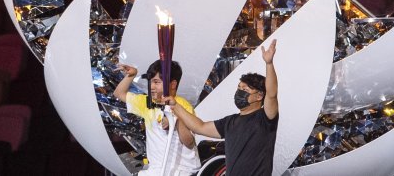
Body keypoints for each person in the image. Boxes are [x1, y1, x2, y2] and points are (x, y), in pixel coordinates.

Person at [167, 40, 278, 176]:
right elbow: (199, 127)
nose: (239, 92)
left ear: (259, 96)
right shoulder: (230, 122)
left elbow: (272, 94)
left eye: (245, 89)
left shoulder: (265, 118)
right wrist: (175, 105)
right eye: (239, 88)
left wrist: (269, 63)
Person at [114, 59, 201, 176]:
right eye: (150, 82)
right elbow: (119, 93)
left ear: (173, 84)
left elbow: (189, 142)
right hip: (157, 169)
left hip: (183, 170)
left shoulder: (183, 105)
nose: (151, 86)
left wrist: (175, 119)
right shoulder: (147, 102)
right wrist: (131, 75)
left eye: (156, 82)